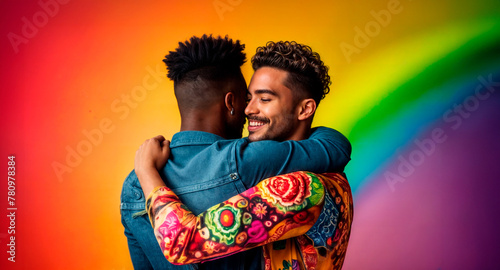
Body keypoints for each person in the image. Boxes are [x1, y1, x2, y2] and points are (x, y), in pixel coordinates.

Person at [120, 36, 351, 270]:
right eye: (248, 98)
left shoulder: (298, 187)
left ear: (305, 109)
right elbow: (334, 147)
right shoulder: (322, 172)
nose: (248, 109)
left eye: (265, 98)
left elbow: (181, 244)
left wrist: (146, 171)